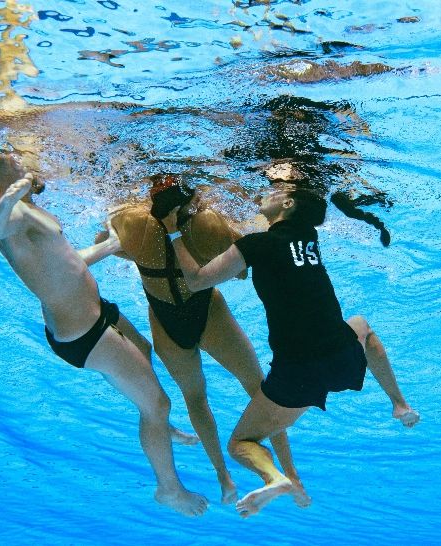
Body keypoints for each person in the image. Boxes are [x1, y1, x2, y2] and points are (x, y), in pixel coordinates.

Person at [161, 161, 420, 518]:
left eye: (275, 192)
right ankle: (400, 405)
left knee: (240, 444)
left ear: (288, 204)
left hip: (297, 375)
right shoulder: (309, 240)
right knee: (360, 324)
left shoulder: (257, 245)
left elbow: (196, 280)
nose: (266, 192)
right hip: (341, 359)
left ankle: (274, 478)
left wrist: (174, 232)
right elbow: (285, 237)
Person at [0, 152, 208, 517]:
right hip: (85, 333)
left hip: (95, 313)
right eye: (16, 162)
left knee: (144, 349)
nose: (24, 163)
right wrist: (8, 195)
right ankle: (169, 489)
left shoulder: (26, 208)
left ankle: (161, 427)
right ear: (5, 173)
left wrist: (111, 245)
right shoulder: (12, 214)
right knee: (157, 404)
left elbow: (66, 261)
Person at [101, 173, 308, 506]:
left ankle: (223, 477)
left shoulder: (132, 221)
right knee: (258, 386)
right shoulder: (207, 223)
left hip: (165, 321)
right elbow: (240, 270)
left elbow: (108, 244)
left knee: (195, 399)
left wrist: (142, 253)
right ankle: (289, 472)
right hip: (208, 311)